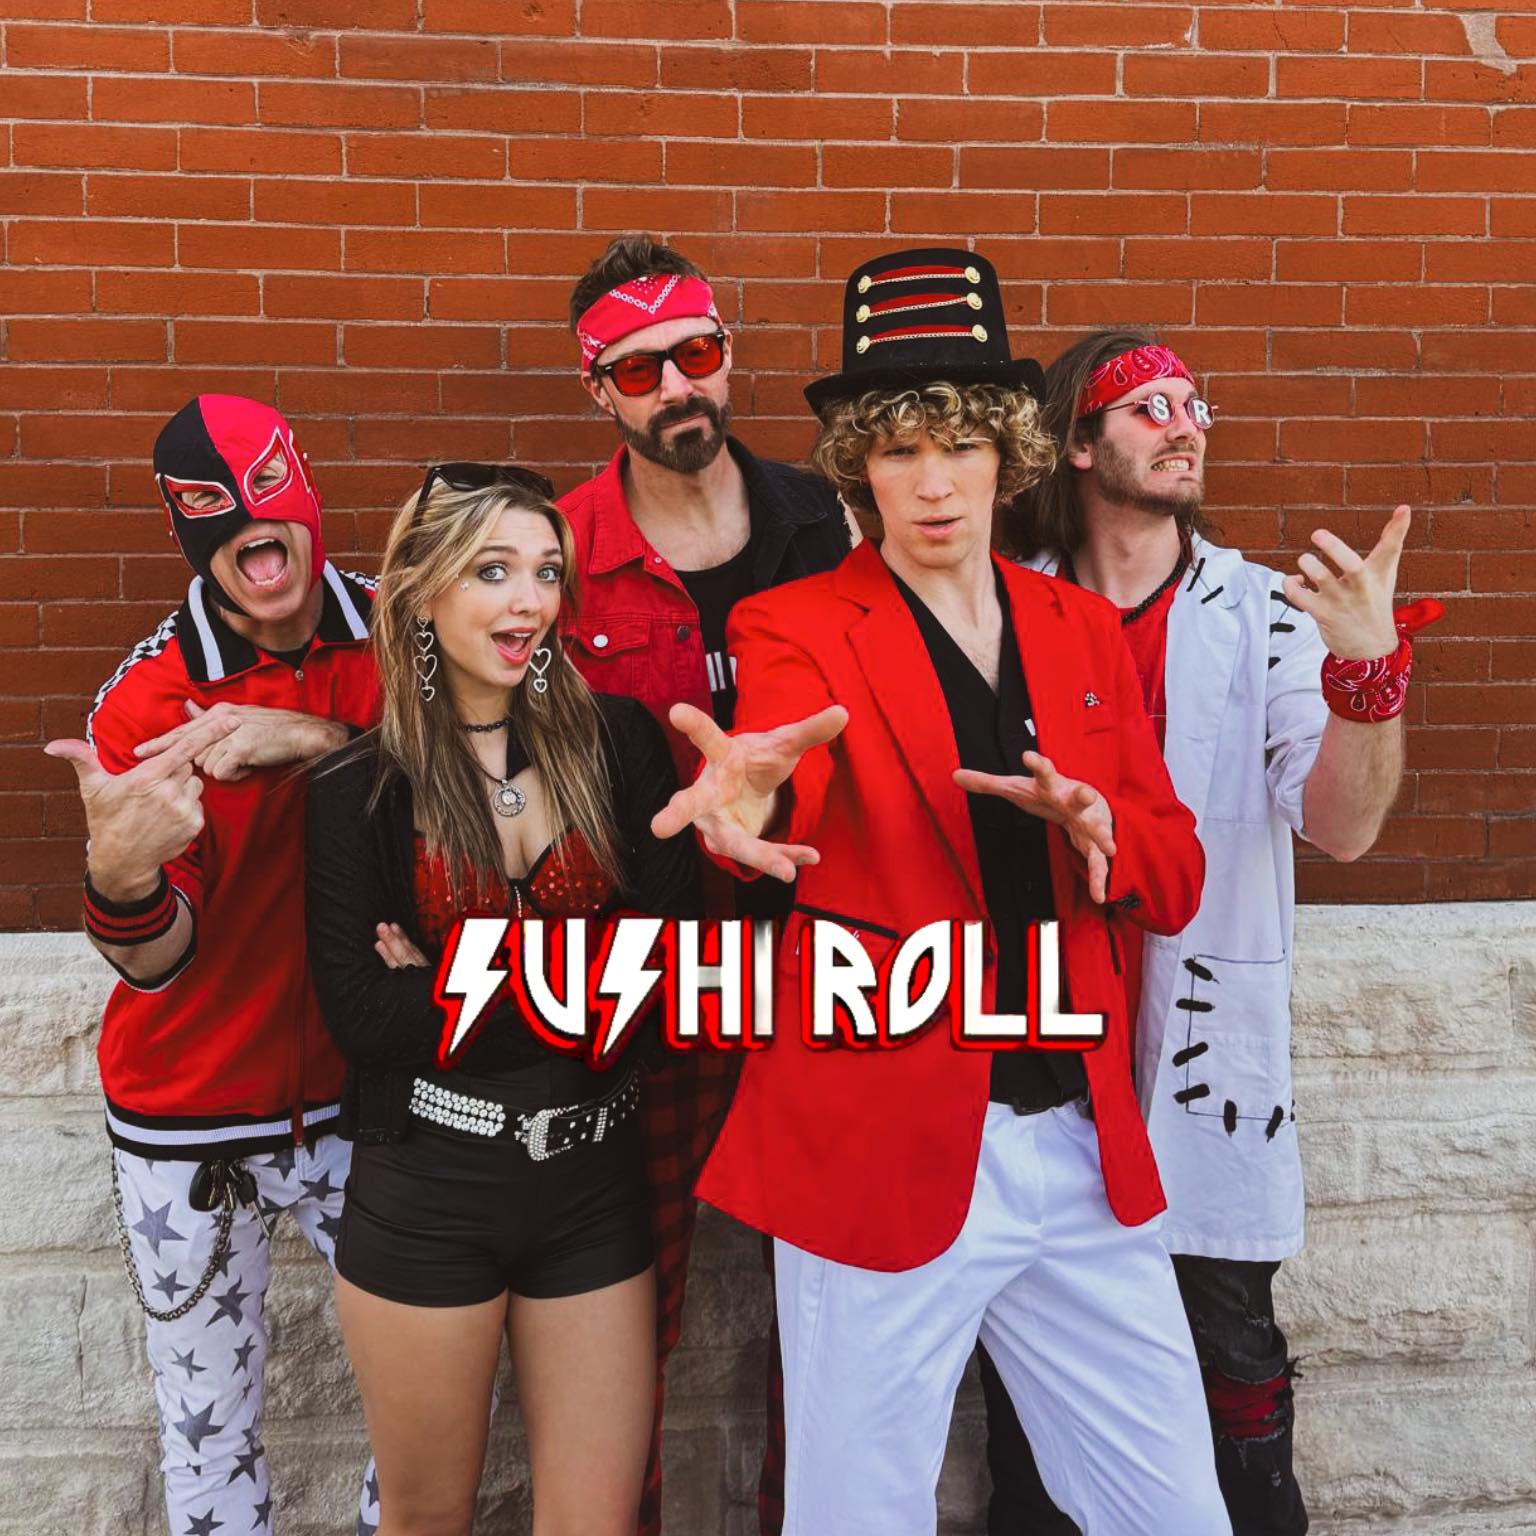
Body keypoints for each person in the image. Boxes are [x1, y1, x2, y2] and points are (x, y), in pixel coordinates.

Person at [652, 250, 1231, 1536]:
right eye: (899, 448)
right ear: (856, 462)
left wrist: (1106, 838)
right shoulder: (793, 626)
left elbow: (1178, 872)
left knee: (1175, 1511)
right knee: (859, 1514)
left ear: (1007, 454)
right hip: (879, 1140)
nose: (931, 482)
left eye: (960, 445)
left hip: (1077, 1143)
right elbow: (780, 777)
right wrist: (746, 809)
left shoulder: (1077, 627)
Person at [983, 330, 1421, 1536]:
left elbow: (1344, 828)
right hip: (1041, 1042)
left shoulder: (1266, 614)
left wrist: (1367, 674)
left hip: (1198, 1047)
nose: (1186, 425)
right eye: (1149, 407)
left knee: (1231, 1352)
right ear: (1078, 443)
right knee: (1031, 1385)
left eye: (1195, 404)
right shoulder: (1000, 606)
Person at [303, 464, 701, 1536]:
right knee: (426, 1519)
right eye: (492, 571)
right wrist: (592, 969)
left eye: (546, 572)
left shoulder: (620, 744)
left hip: (594, 1186)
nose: (529, 600)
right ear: (421, 592)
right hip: (428, 1192)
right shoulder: (359, 790)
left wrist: (454, 986)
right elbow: (366, 1020)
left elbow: (674, 983)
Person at [44, 395, 382, 1536]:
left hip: (369, 1099)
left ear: (305, 489)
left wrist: (324, 744)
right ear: (187, 533)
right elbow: (153, 961)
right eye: (212, 510)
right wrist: (123, 877)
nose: (247, 525)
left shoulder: (405, 638)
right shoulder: (148, 698)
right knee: (209, 1450)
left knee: (434, 1407)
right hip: (189, 1112)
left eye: (265, 490)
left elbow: (483, 808)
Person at [557, 234, 852, 1534]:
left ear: (728, 355)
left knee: (832, 1308)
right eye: (640, 370)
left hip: (827, 962)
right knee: (624, 1315)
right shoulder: (565, 550)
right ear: (599, 391)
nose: (678, 386)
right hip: (653, 979)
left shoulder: (827, 522)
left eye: (698, 353)